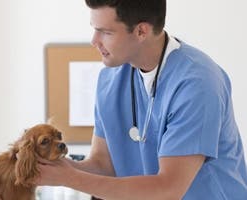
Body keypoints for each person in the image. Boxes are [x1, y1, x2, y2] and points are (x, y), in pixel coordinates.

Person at [37, 0, 247, 199]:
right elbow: (104, 166)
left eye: (106, 32)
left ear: (141, 31)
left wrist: (70, 178)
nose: (94, 41)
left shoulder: (198, 84)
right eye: (94, 29)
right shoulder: (109, 79)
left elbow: (168, 190)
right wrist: (49, 167)